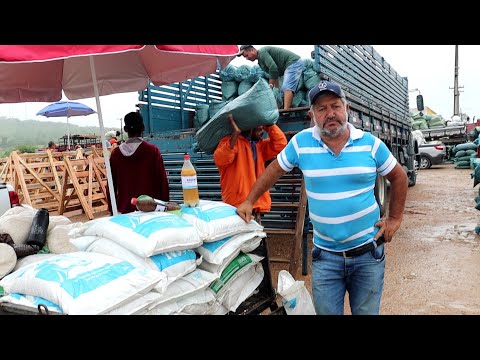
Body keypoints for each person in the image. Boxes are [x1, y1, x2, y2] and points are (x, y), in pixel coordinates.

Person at [236, 80, 408, 315]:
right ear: (312, 115)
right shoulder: (301, 143)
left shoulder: (370, 145)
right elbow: (273, 170)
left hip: (368, 255)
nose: (330, 114)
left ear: (346, 109)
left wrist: (395, 218)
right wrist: (249, 200)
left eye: (335, 106)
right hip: (326, 258)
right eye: (322, 108)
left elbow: (399, 177)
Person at [213, 114, 287, 221]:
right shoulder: (230, 142)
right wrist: (235, 134)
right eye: (259, 129)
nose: (262, 132)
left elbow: (280, 143)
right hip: (237, 206)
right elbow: (220, 159)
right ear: (249, 128)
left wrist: (268, 124)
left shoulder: (259, 146)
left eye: (262, 129)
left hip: (255, 204)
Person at [108, 111, 169, 214]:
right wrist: (165, 206)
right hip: (150, 210)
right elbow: (162, 182)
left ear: (125, 129)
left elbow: (111, 185)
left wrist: (112, 209)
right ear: (143, 128)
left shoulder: (116, 154)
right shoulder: (152, 151)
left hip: (124, 212)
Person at [237, 45, 305, 110]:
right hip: (286, 67)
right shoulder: (260, 61)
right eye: (245, 57)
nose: (247, 58)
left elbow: (273, 68)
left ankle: (286, 111)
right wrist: (276, 90)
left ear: (252, 50)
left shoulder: (262, 52)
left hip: (293, 62)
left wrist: (270, 86)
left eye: (247, 55)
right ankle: (280, 110)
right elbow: (274, 75)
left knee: (287, 87)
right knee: (279, 91)